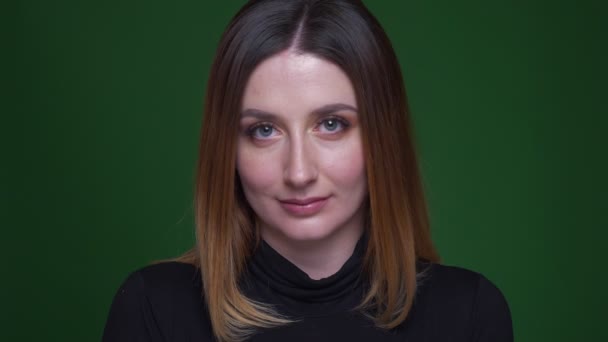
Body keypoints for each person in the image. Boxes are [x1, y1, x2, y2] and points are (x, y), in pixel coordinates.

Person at [103, 0, 513, 341]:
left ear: (382, 139)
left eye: (331, 124)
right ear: (227, 148)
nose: (299, 172)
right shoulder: (153, 308)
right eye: (264, 130)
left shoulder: (468, 313)